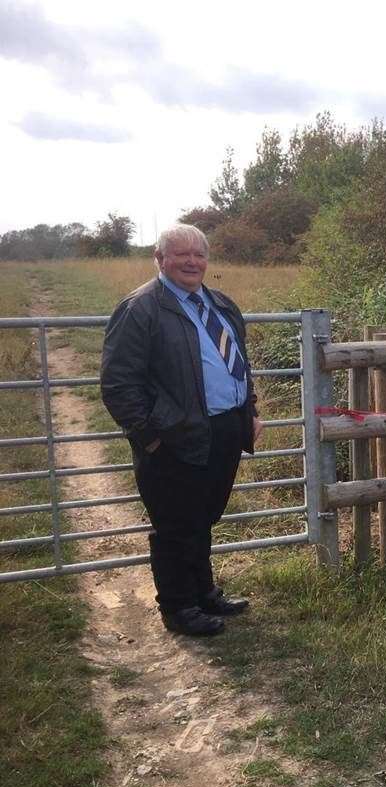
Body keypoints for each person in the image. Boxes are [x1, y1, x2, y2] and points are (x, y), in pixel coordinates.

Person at [101, 224, 262, 637]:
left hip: (224, 429)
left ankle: (204, 592)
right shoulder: (140, 309)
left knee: (203, 517)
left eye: (199, 255)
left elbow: (238, 365)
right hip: (173, 436)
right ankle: (178, 607)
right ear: (160, 259)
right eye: (180, 254)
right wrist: (150, 437)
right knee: (175, 524)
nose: (191, 261)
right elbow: (119, 384)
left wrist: (251, 412)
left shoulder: (220, 304)